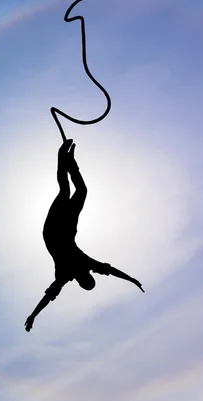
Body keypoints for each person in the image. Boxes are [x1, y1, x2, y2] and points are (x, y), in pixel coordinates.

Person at [25, 139, 144, 332]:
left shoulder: (65, 275)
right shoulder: (87, 265)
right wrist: (131, 280)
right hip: (68, 228)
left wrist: (33, 315)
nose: (86, 273)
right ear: (89, 274)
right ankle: (69, 161)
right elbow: (111, 271)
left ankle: (61, 158)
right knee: (81, 190)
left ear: (80, 280)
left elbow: (49, 296)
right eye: (88, 275)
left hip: (54, 232)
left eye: (84, 277)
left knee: (65, 191)